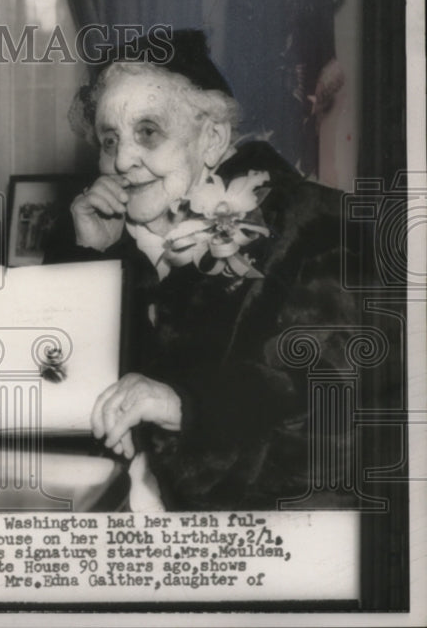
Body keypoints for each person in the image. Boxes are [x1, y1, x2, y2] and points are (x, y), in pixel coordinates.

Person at [49, 30, 393, 510]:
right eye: (110, 140)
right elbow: (58, 396)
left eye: (148, 131)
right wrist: (92, 259)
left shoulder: (312, 226)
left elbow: (330, 411)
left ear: (211, 138)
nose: (122, 160)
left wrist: (185, 406)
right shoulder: (135, 246)